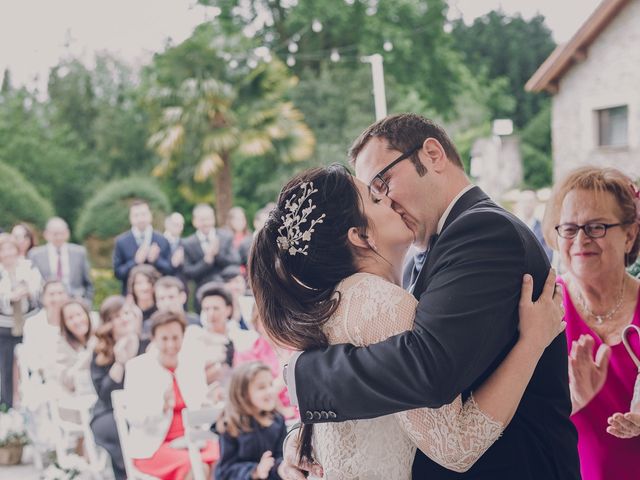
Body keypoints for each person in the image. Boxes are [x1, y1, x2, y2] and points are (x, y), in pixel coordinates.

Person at [265, 114, 580, 480]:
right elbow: (395, 386)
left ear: (432, 154)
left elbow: (426, 367)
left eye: (382, 183)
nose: (384, 201)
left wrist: (306, 375)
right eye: (373, 195)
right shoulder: (419, 258)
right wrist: (309, 438)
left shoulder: (483, 231)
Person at [542, 166, 640, 480]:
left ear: (630, 234)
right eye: (569, 228)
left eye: (596, 226)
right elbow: (517, 423)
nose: (581, 239)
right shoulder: (543, 308)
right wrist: (574, 400)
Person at [125, 311, 219, 480]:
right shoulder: (138, 368)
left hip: (193, 441)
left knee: (225, 457)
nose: (171, 345)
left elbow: (200, 408)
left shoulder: (191, 363)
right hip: (154, 446)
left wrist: (210, 403)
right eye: (164, 339)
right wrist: (161, 406)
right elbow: (134, 418)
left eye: (176, 338)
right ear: (154, 338)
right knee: (197, 467)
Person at [90, 296, 148, 480]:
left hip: (144, 408)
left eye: (126, 314)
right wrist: (120, 362)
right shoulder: (101, 352)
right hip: (108, 412)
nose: (123, 319)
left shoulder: (147, 345)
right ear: (108, 323)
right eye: (116, 316)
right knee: (122, 430)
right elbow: (105, 395)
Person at [215, 361, 287, 480]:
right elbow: (224, 472)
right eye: (261, 387)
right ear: (243, 394)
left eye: (271, 384)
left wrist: (281, 467)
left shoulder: (277, 421)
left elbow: (281, 456)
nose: (270, 391)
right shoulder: (230, 425)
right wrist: (255, 471)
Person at [0, 233, 42, 407]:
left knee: (32, 363)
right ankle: (8, 404)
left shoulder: (28, 266)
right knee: (7, 366)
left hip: (30, 322)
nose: (8, 253)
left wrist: (27, 290)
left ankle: (32, 402)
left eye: (11, 248)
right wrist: (9, 296)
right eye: (4, 249)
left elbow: (38, 287)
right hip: (5, 326)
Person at [183, 204, 240, 308]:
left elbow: (235, 261)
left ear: (213, 219)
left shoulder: (225, 237)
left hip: (225, 288)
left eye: (208, 219)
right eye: (202, 219)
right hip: (201, 291)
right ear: (194, 221)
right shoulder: (187, 243)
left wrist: (217, 254)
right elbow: (188, 272)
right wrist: (206, 261)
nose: (206, 223)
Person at [28, 217, 94, 304]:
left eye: (62, 233)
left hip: (75, 301)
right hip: (46, 304)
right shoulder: (35, 254)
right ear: (46, 234)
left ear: (67, 233)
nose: (59, 237)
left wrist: (86, 302)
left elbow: (88, 283)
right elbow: (32, 284)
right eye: (55, 234)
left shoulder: (79, 252)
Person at [112, 200, 173, 294]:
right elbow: (118, 274)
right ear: (130, 218)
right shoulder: (121, 242)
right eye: (136, 215)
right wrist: (135, 261)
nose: (140, 219)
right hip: (131, 295)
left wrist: (156, 260)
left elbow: (170, 270)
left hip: (158, 295)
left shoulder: (162, 240)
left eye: (143, 214)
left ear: (150, 215)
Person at [22, 280, 68, 379]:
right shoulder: (32, 324)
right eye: (51, 294)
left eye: (61, 293)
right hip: (43, 378)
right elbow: (31, 358)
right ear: (43, 298)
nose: (57, 298)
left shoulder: (73, 319)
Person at [54, 298, 97, 395]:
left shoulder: (100, 335)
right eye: (70, 318)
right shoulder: (61, 346)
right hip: (79, 399)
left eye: (79, 314)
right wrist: (89, 354)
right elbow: (68, 383)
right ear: (64, 324)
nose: (77, 321)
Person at [517, 190, 553, 262]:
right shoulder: (514, 227)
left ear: (536, 203)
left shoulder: (543, 229)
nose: (527, 204)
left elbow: (547, 255)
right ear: (519, 203)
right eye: (524, 201)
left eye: (530, 201)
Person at [126, 264, 160, 336]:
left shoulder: (161, 311)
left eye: (149, 282)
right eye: (139, 283)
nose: (145, 287)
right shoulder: (127, 312)